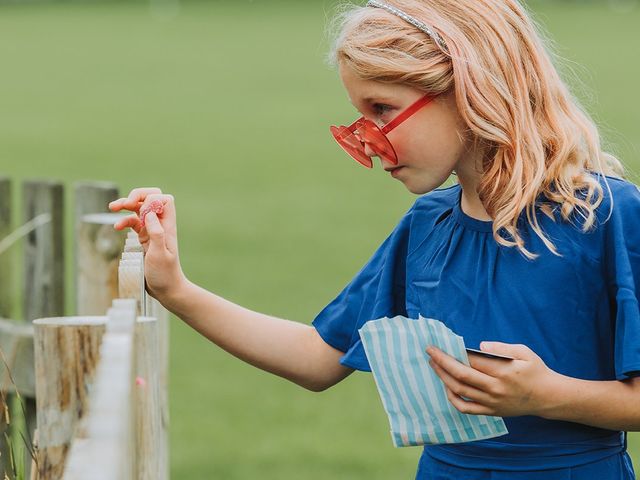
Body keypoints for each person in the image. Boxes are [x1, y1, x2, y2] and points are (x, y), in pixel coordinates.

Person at [109, 0, 640, 478]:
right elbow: (319, 359)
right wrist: (175, 287)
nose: (368, 143)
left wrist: (549, 396)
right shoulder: (427, 223)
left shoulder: (609, 216)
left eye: (381, 110)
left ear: (469, 87)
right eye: (359, 117)